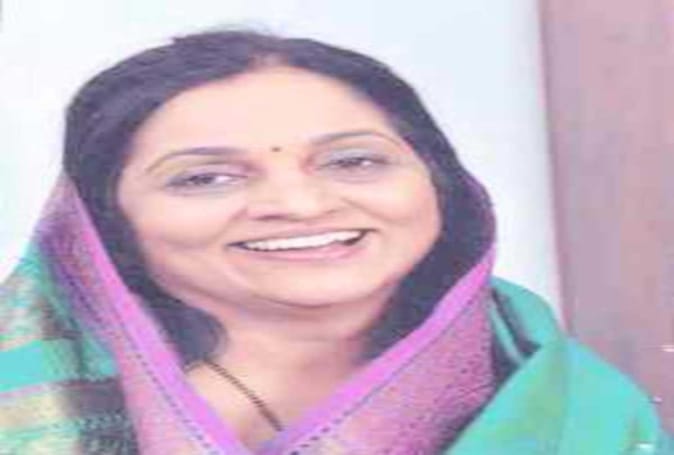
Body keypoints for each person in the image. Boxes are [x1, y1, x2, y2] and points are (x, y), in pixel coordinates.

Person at [0, 30, 671, 454]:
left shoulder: (575, 409)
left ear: (440, 184)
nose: (299, 204)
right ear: (100, 223)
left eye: (354, 161)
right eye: (206, 177)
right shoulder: (30, 410)